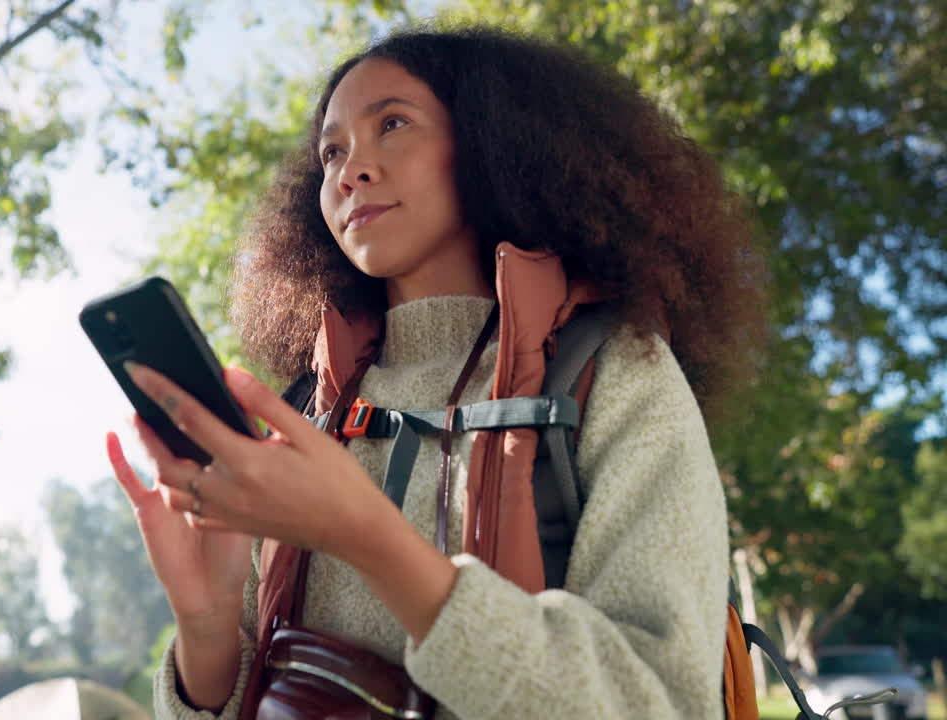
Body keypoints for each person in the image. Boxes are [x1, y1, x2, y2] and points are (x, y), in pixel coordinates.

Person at [105, 24, 766, 720]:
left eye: (392, 123)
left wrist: (368, 537)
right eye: (332, 151)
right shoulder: (304, 413)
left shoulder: (613, 368)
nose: (349, 169)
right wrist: (206, 632)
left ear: (492, 142)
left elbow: (659, 702)